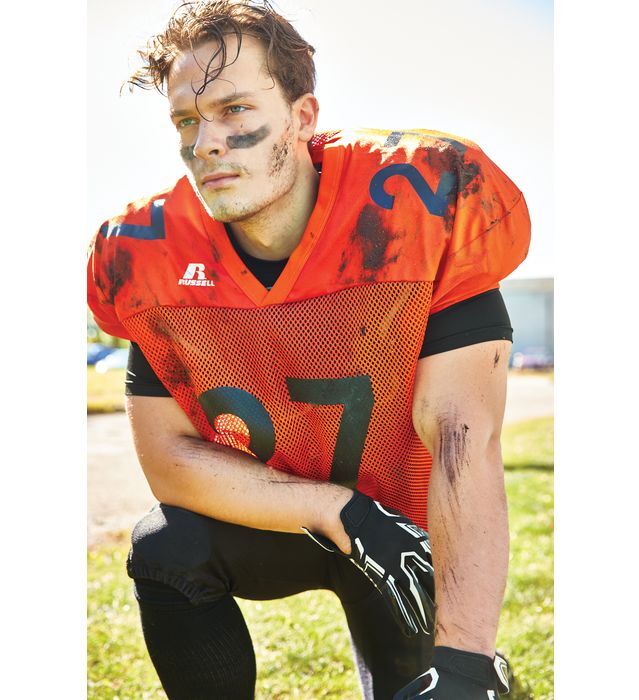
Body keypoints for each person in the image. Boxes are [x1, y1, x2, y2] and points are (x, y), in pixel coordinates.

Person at [86, 1, 530, 697]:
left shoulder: (417, 202)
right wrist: (335, 509)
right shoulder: (150, 251)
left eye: (234, 109)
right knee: (167, 545)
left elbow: (462, 436)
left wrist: (466, 659)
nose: (205, 142)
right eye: (186, 120)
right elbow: (169, 461)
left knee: (442, 683)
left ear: (301, 118)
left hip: (408, 530)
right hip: (282, 515)